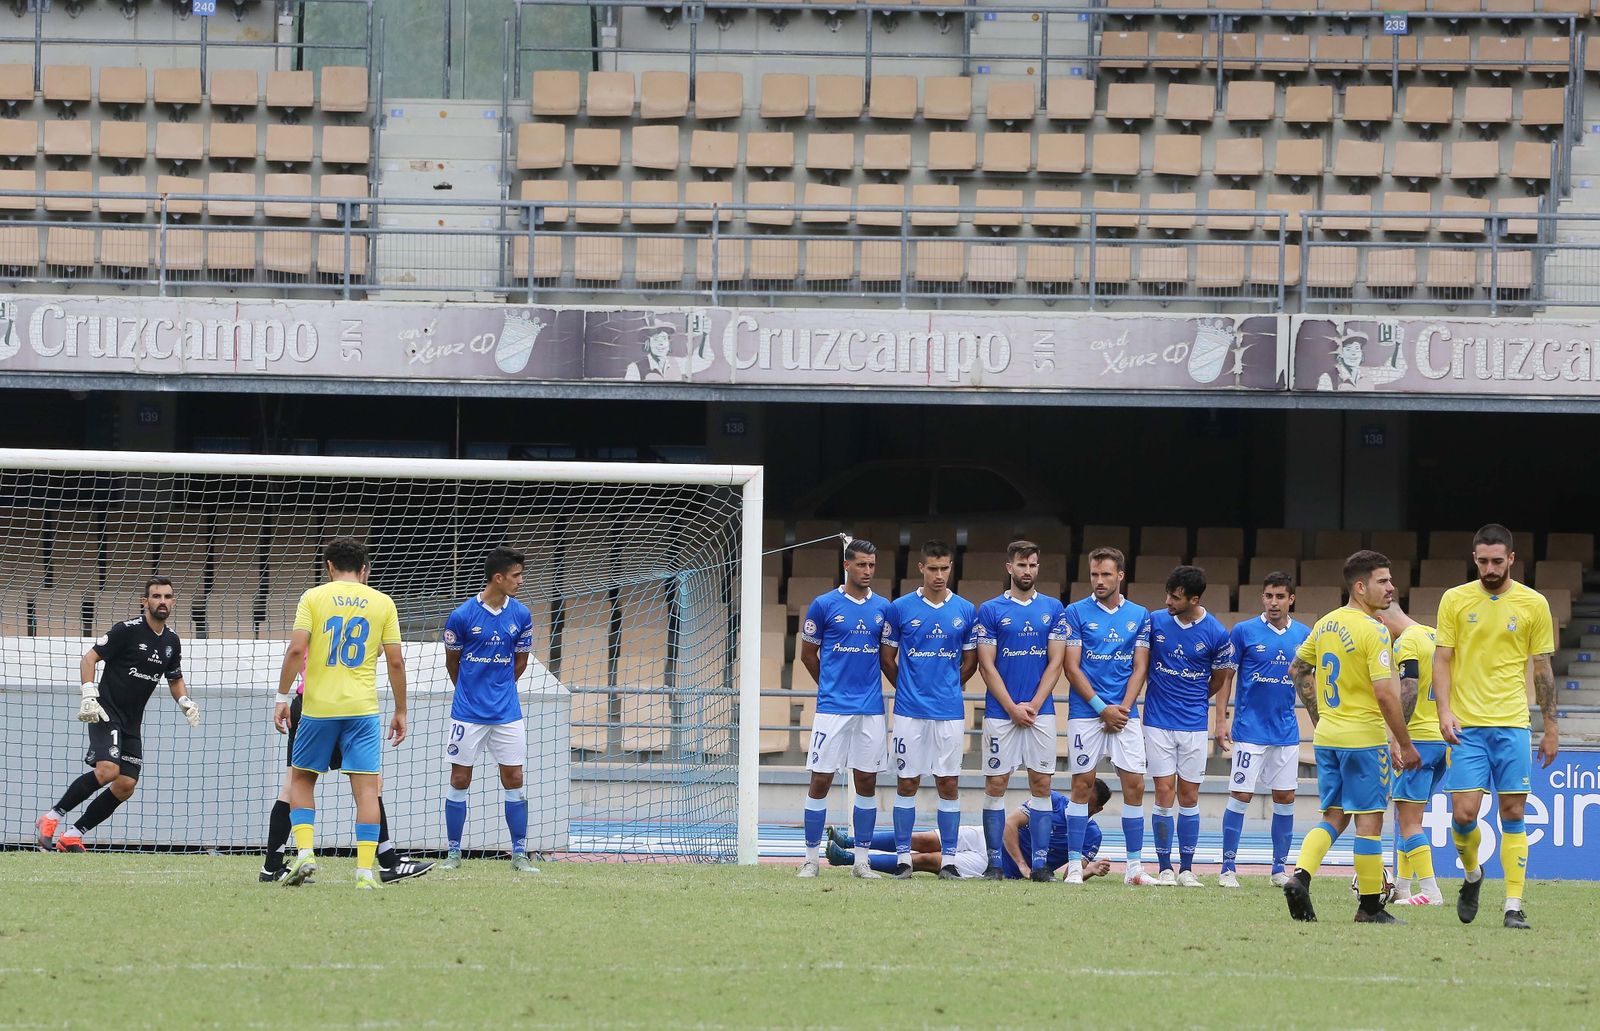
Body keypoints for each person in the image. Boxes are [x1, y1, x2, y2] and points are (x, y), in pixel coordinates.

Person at [1282, 550, 1419, 924]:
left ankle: (1300, 876)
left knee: (1333, 815)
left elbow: (1298, 669)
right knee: (1370, 823)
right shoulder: (1373, 629)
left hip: (1327, 737)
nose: (1391, 587)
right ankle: (1370, 907)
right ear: (1360, 587)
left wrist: (1319, 714)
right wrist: (1405, 744)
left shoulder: (1325, 624)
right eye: (1383, 580)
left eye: (1391, 580)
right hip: (1363, 740)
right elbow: (1386, 693)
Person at [1433, 523, 1557, 931]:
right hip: (1466, 726)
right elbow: (1443, 659)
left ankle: (1513, 906)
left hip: (1512, 725)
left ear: (1512, 560)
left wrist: (1550, 727)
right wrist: (1444, 712)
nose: (1490, 568)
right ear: (1474, 559)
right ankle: (1472, 875)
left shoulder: (1533, 604)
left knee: (1513, 811)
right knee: (1464, 815)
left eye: (1497, 561)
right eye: (1483, 561)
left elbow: (1542, 669)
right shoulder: (1454, 600)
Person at [272, 538, 407, 890]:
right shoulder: (382, 602)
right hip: (362, 710)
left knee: (301, 780)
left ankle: (304, 853)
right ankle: (364, 873)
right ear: (364, 569)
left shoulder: (313, 597)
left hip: (318, 708)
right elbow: (394, 660)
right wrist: (401, 710)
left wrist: (281, 697)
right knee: (366, 790)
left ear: (330, 567)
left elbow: (296, 649)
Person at [35, 577, 198, 852]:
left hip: (132, 722)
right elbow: (89, 658)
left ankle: (72, 835)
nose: (162, 601)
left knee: (126, 784)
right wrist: (88, 693)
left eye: (167, 597)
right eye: (156, 596)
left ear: (173, 602)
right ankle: (50, 818)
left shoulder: (171, 642)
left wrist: (184, 701)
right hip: (104, 710)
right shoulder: (126, 630)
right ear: (144, 602)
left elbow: (174, 678)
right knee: (108, 770)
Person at [261, 656, 431, 884]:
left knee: (293, 786)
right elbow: (380, 650)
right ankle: (386, 862)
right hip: (343, 706)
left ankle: (272, 866)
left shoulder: (313, 619)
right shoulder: (355, 618)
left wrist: (281, 697)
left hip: (310, 703)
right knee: (370, 785)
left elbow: (297, 649)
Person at [878, 540, 977, 879]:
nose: (939, 575)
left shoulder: (965, 609)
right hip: (908, 712)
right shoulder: (900, 608)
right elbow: (887, 658)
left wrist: (948, 686)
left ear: (952, 568)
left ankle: (948, 860)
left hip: (949, 712)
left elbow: (970, 662)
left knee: (948, 783)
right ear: (920, 568)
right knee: (908, 782)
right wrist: (907, 687)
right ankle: (903, 859)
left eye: (944, 568)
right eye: (932, 568)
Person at [797, 538, 894, 879]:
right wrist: (829, 686)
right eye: (862, 564)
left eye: (872, 565)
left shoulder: (883, 607)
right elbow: (808, 655)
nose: (868, 571)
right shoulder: (823, 605)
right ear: (847, 565)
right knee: (820, 780)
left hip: (870, 708)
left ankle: (862, 862)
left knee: (866, 781)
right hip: (832, 708)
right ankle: (810, 859)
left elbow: (887, 659)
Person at [1060, 546, 1156, 886]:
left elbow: (1140, 667)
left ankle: (1133, 869)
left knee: (1136, 785)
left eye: (1105, 574)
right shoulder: (1075, 612)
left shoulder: (1140, 614)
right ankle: (1074, 866)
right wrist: (1103, 708)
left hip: (1125, 715)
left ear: (1121, 576)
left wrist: (1123, 711)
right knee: (1082, 785)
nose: (1099, 581)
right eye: (1094, 575)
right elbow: (1071, 667)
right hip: (1087, 714)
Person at [974, 541, 1069, 881]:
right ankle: (994, 863)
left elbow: (1056, 661)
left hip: (1040, 713)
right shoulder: (990, 610)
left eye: (1032, 565)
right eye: (1021, 565)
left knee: (1041, 783)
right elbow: (986, 665)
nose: (1027, 571)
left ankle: (1041, 865)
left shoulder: (1054, 608)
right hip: (1001, 714)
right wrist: (1012, 706)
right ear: (1009, 567)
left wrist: (1033, 703)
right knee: (996, 782)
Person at [441, 546, 540, 873]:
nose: (521, 581)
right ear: (498, 578)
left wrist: (499, 690)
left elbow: (520, 661)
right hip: (467, 712)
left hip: (507, 713)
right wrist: (471, 692)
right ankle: (454, 853)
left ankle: (519, 853)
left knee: (514, 777)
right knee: (459, 778)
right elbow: (452, 662)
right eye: (516, 576)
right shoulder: (462, 615)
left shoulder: (522, 615)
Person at [1213, 572, 1311, 888]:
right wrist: (1220, 720)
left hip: (1285, 731)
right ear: (1262, 598)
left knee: (1285, 797)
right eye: (1268, 596)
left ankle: (1278, 869)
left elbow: (1309, 683)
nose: (1273, 602)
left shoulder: (1304, 635)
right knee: (1241, 795)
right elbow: (1226, 676)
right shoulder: (1243, 632)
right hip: (1248, 730)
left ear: (1291, 599)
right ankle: (1227, 868)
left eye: (1280, 596)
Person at [1143, 565, 1234, 887]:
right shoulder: (1154, 621)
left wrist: (1194, 698)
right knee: (1164, 792)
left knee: (1189, 795)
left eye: (1176, 597)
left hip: (1194, 724)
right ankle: (1165, 867)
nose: (1168, 601)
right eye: (1167, 594)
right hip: (1157, 721)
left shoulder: (1217, 633)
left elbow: (1220, 679)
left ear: (1194, 599)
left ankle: (1187, 869)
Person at [825, 780, 1116, 881]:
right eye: (1079, 798)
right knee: (921, 839)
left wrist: (1088, 872)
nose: (1078, 806)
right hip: (991, 842)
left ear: (1097, 809)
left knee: (929, 860)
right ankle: (851, 841)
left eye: (1086, 804)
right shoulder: (1051, 801)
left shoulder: (1092, 835)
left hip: (994, 867)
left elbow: (1071, 875)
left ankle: (847, 859)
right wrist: (1024, 865)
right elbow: (1010, 825)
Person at [1375, 601, 1446, 906]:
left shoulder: (1406, 642)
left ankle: (1430, 891)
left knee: (1409, 821)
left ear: (1381, 620)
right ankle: (1402, 887)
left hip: (1417, 741)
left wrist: (1398, 739)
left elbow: (1409, 689)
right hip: (1440, 740)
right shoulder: (1433, 635)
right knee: (1408, 816)